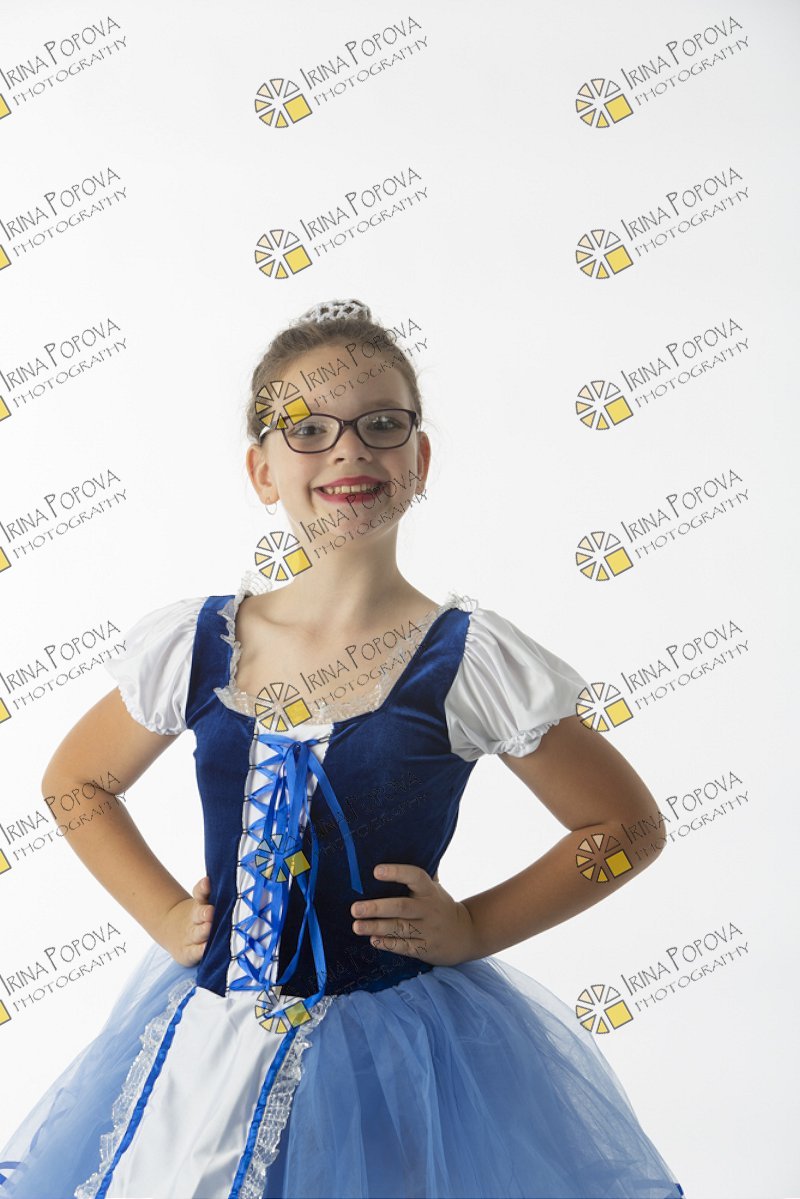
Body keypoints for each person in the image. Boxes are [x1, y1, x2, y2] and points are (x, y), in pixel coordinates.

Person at [0, 298, 686, 1199]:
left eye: (380, 425)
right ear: (263, 470)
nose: (348, 450)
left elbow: (626, 827)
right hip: (212, 1037)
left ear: (420, 460)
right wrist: (166, 914)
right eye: (308, 429)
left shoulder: (469, 660)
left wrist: (474, 926)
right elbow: (76, 781)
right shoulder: (201, 645)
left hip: (390, 1054)